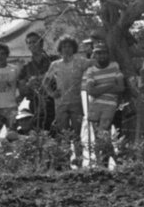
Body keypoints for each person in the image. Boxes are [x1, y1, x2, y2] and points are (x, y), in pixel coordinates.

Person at [42, 36, 89, 165]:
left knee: (77, 135)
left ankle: (79, 161)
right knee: (64, 135)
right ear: (60, 49)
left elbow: (95, 63)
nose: (66, 49)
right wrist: (52, 93)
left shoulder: (80, 61)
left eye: (69, 46)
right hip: (60, 104)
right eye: (63, 47)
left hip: (76, 102)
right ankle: (65, 163)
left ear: (74, 48)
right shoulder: (55, 64)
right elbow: (45, 82)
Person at [82, 42, 125, 165]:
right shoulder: (90, 70)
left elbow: (121, 88)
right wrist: (111, 85)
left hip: (112, 105)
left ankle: (116, 160)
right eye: (98, 53)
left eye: (103, 53)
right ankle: (104, 162)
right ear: (94, 55)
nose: (101, 56)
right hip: (96, 106)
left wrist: (99, 88)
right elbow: (91, 91)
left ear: (108, 54)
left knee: (107, 134)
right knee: (99, 136)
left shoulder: (114, 66)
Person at [17, 31, 56, 131]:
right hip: (35, 106)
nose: (32, 45)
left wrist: (44, 78)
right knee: (39, 134)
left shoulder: (53, 61)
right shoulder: (26, 67)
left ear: (41, 43)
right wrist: (29, 85)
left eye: (34, 41)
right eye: (29, 43)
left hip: (55, 103)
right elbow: (22, 91)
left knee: (57, 133)